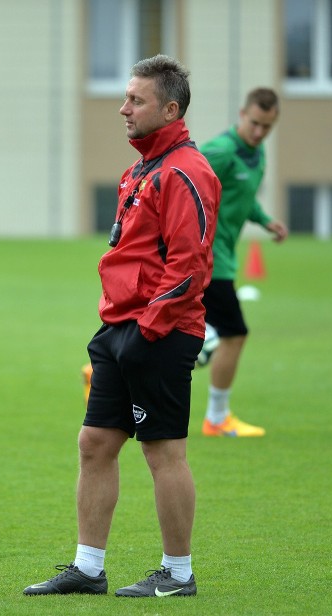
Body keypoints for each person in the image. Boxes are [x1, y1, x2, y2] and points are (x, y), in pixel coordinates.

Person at [23, 55, 220, 599]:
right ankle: (89, 569)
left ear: (170, 108)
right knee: (94, 444)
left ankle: (178, 574)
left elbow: (191, 267)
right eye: (126, 97)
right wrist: (120, 328)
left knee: (162, 451)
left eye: (136, 100)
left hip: (158, 331)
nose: (123, 108)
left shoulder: (185, 171)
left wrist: (147, 330)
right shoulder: (140, 170)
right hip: (120, 329)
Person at [199, 88, 288, 437]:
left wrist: (265, 219)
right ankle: (217, 419)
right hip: (208, 259)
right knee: (235, 334)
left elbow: (243, 197)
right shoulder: (219, 152)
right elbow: (178, 181)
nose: (259, 132)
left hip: (223, 260)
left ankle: (101, 375)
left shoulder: (257, 153)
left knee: (178, 336)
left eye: (267, 126)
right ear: (241, 114)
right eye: (254, 123)